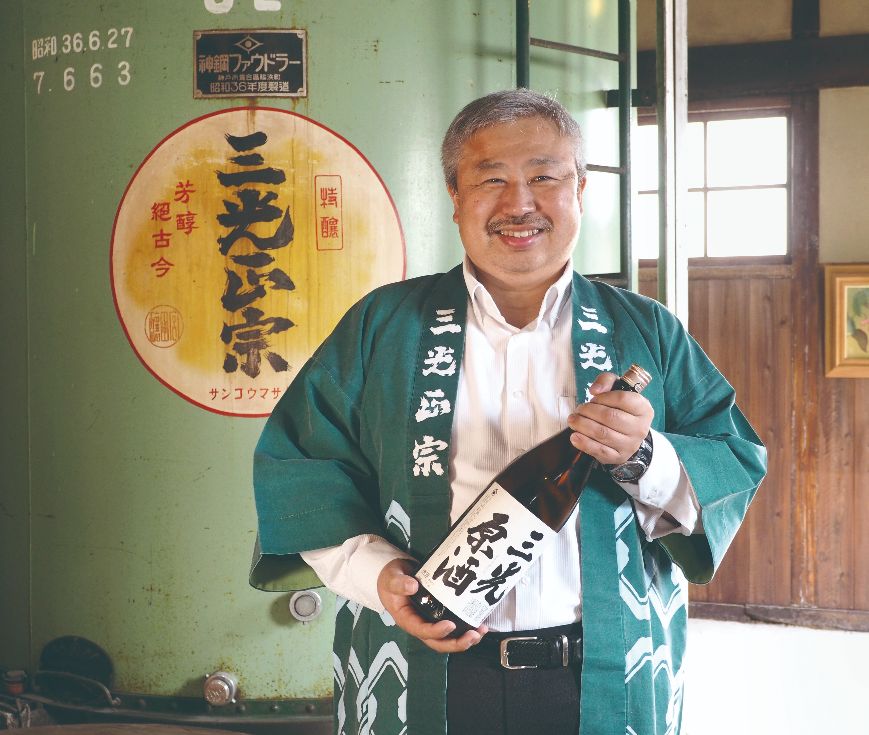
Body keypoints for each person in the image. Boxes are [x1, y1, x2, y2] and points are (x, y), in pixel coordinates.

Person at [251, 89, 767, 735]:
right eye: (490, 179)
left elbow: (733, 457)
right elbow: (300, 467)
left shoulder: (645, 330)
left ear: (578, 190)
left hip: (602, 670)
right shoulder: (382, 325)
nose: (518, 203)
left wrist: (645, 453)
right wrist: (378, 575)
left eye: (544, 177)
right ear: (453, 195)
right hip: (417, 664)